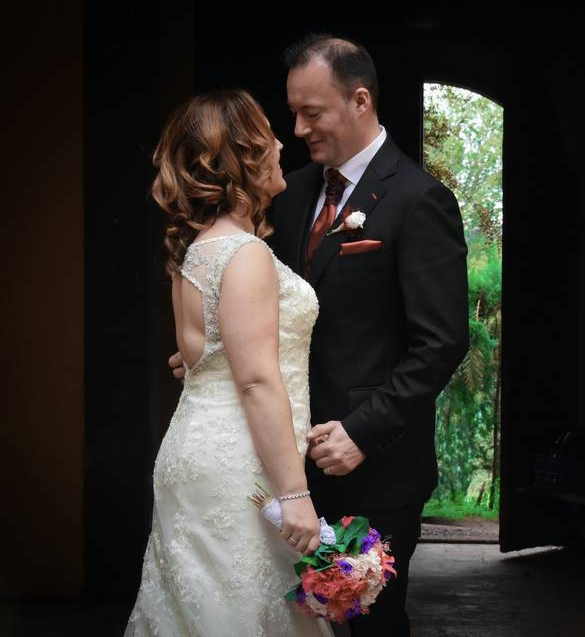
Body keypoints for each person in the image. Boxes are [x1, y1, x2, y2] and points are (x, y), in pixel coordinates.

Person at [169, 32, 470, 636]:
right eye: (293, 113)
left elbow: (441, 342)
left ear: (360, 101)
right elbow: (251, 298)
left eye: (313, 112)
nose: (300, 129)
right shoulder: (288, 190)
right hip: (275, 464)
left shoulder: (420, 200)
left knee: (368, 626)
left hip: (373, 468)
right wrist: (214, 354)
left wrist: (364, 431)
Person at [128, 89, 333, 636]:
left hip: (197, 455)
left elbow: (197, 357)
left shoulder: (196, 252)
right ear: (242, 158)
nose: (282, 142)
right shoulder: (245, 255)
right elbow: (257, 380)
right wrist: (296, 496)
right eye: (268, 135)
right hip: (238, 467)